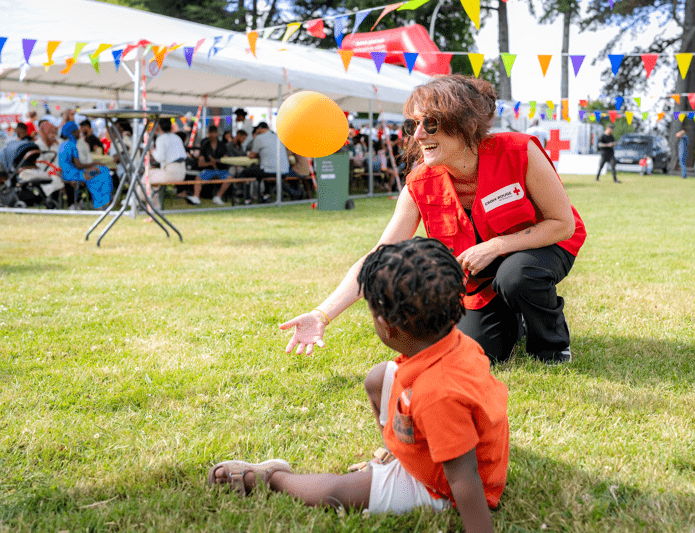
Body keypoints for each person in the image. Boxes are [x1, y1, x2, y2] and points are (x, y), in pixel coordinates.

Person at [281, 74, 586, 364]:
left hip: (546, 244)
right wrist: (322, 314)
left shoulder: (519, 150)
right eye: (413, 123)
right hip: (479, 271)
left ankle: (551, 345)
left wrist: (496, 246)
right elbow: (378, 257)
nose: (417, 134)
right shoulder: (419, 183)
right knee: (482, 352)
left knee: (516, 276)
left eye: (430, 123)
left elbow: (562, 224)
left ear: (465, 124)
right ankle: (513, 316)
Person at [209, 238, 509, 532]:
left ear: (388, 326)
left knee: (338, 491)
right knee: (378, 378)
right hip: (435, 449)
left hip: (442, 489)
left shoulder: (439, 396)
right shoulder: (455, 341)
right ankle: (399, 456)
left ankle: (272, 478)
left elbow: (463, 477)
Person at [58, 121, 113, 209]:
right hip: (73, 175)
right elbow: (79, 165)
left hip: (67, 174)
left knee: (101, 172)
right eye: (77, 131)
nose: (78, 133)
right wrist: (94, 164)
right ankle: (101, 203)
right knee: (102, 172)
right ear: (72, 132)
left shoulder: (63, 145)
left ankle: (100, 202)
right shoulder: (72, 145)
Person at [243, 121, 301, 202]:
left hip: (271, 170)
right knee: (263, 170)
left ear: (260, 129)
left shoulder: (259, 138)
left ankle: (247, 199)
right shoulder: (277, 137)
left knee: (246, 172)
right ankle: (267, 196)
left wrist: (249, 153)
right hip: (284, 170)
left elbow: (253, 155)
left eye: (257, 130)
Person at [149, 118, 188, 206]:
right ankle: (153, 206)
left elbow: (160, 158)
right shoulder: (176, 137)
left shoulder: (161, 139)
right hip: (181, 173)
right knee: (151, 177)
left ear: (158, 126)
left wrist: (152, 151)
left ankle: (136, 199)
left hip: (170, 173)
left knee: (147, 175)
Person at [194, 124, 232, 206]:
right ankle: (196, 197)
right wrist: (211, 163)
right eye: (210, 133)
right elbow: (200, 163)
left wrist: (216, 161)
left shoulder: (222, 145)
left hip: (221, 170)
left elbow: (225, 160)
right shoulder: (205, 145)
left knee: (229, 178)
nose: (212, 135)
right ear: (208, 133)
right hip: (209, 169)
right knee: (198, 178)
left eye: (214, 133)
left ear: (217, 133)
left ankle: (218, 197)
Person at [34, 119, 65, 201]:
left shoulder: (59, 144)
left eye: (54, 132)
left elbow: (62, 160)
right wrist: (52, 171)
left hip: (58, 172)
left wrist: (58, 169)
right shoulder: (36, 145)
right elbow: (39, 164)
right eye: (51, 132)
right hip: (43, 173)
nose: (53, 135)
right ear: (43, 133)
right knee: (56, 181)